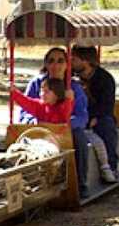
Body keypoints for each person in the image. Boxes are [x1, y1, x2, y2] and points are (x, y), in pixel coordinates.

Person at [19, 47, 90, 198]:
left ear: (67, 65)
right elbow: (25, 110)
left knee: (79, 138)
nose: (55, 65)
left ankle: (80, 184)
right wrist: (32, 121)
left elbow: (82, 116)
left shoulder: (74, 87)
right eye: (51, 61)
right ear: (46, 64)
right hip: (39, 127)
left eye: (60, 61)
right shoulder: (36, 83)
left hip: (64, 130)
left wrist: (66, 125)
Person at [71, 45, 119, 179]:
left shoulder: (104, 79)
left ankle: (111, 166)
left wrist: (94, 117)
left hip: (98, 115)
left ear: (85, 61)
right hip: (77, 114)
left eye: (74, 59)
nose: (71, 62)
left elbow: (107, 105)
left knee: (106, 125)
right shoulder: (70, 75)